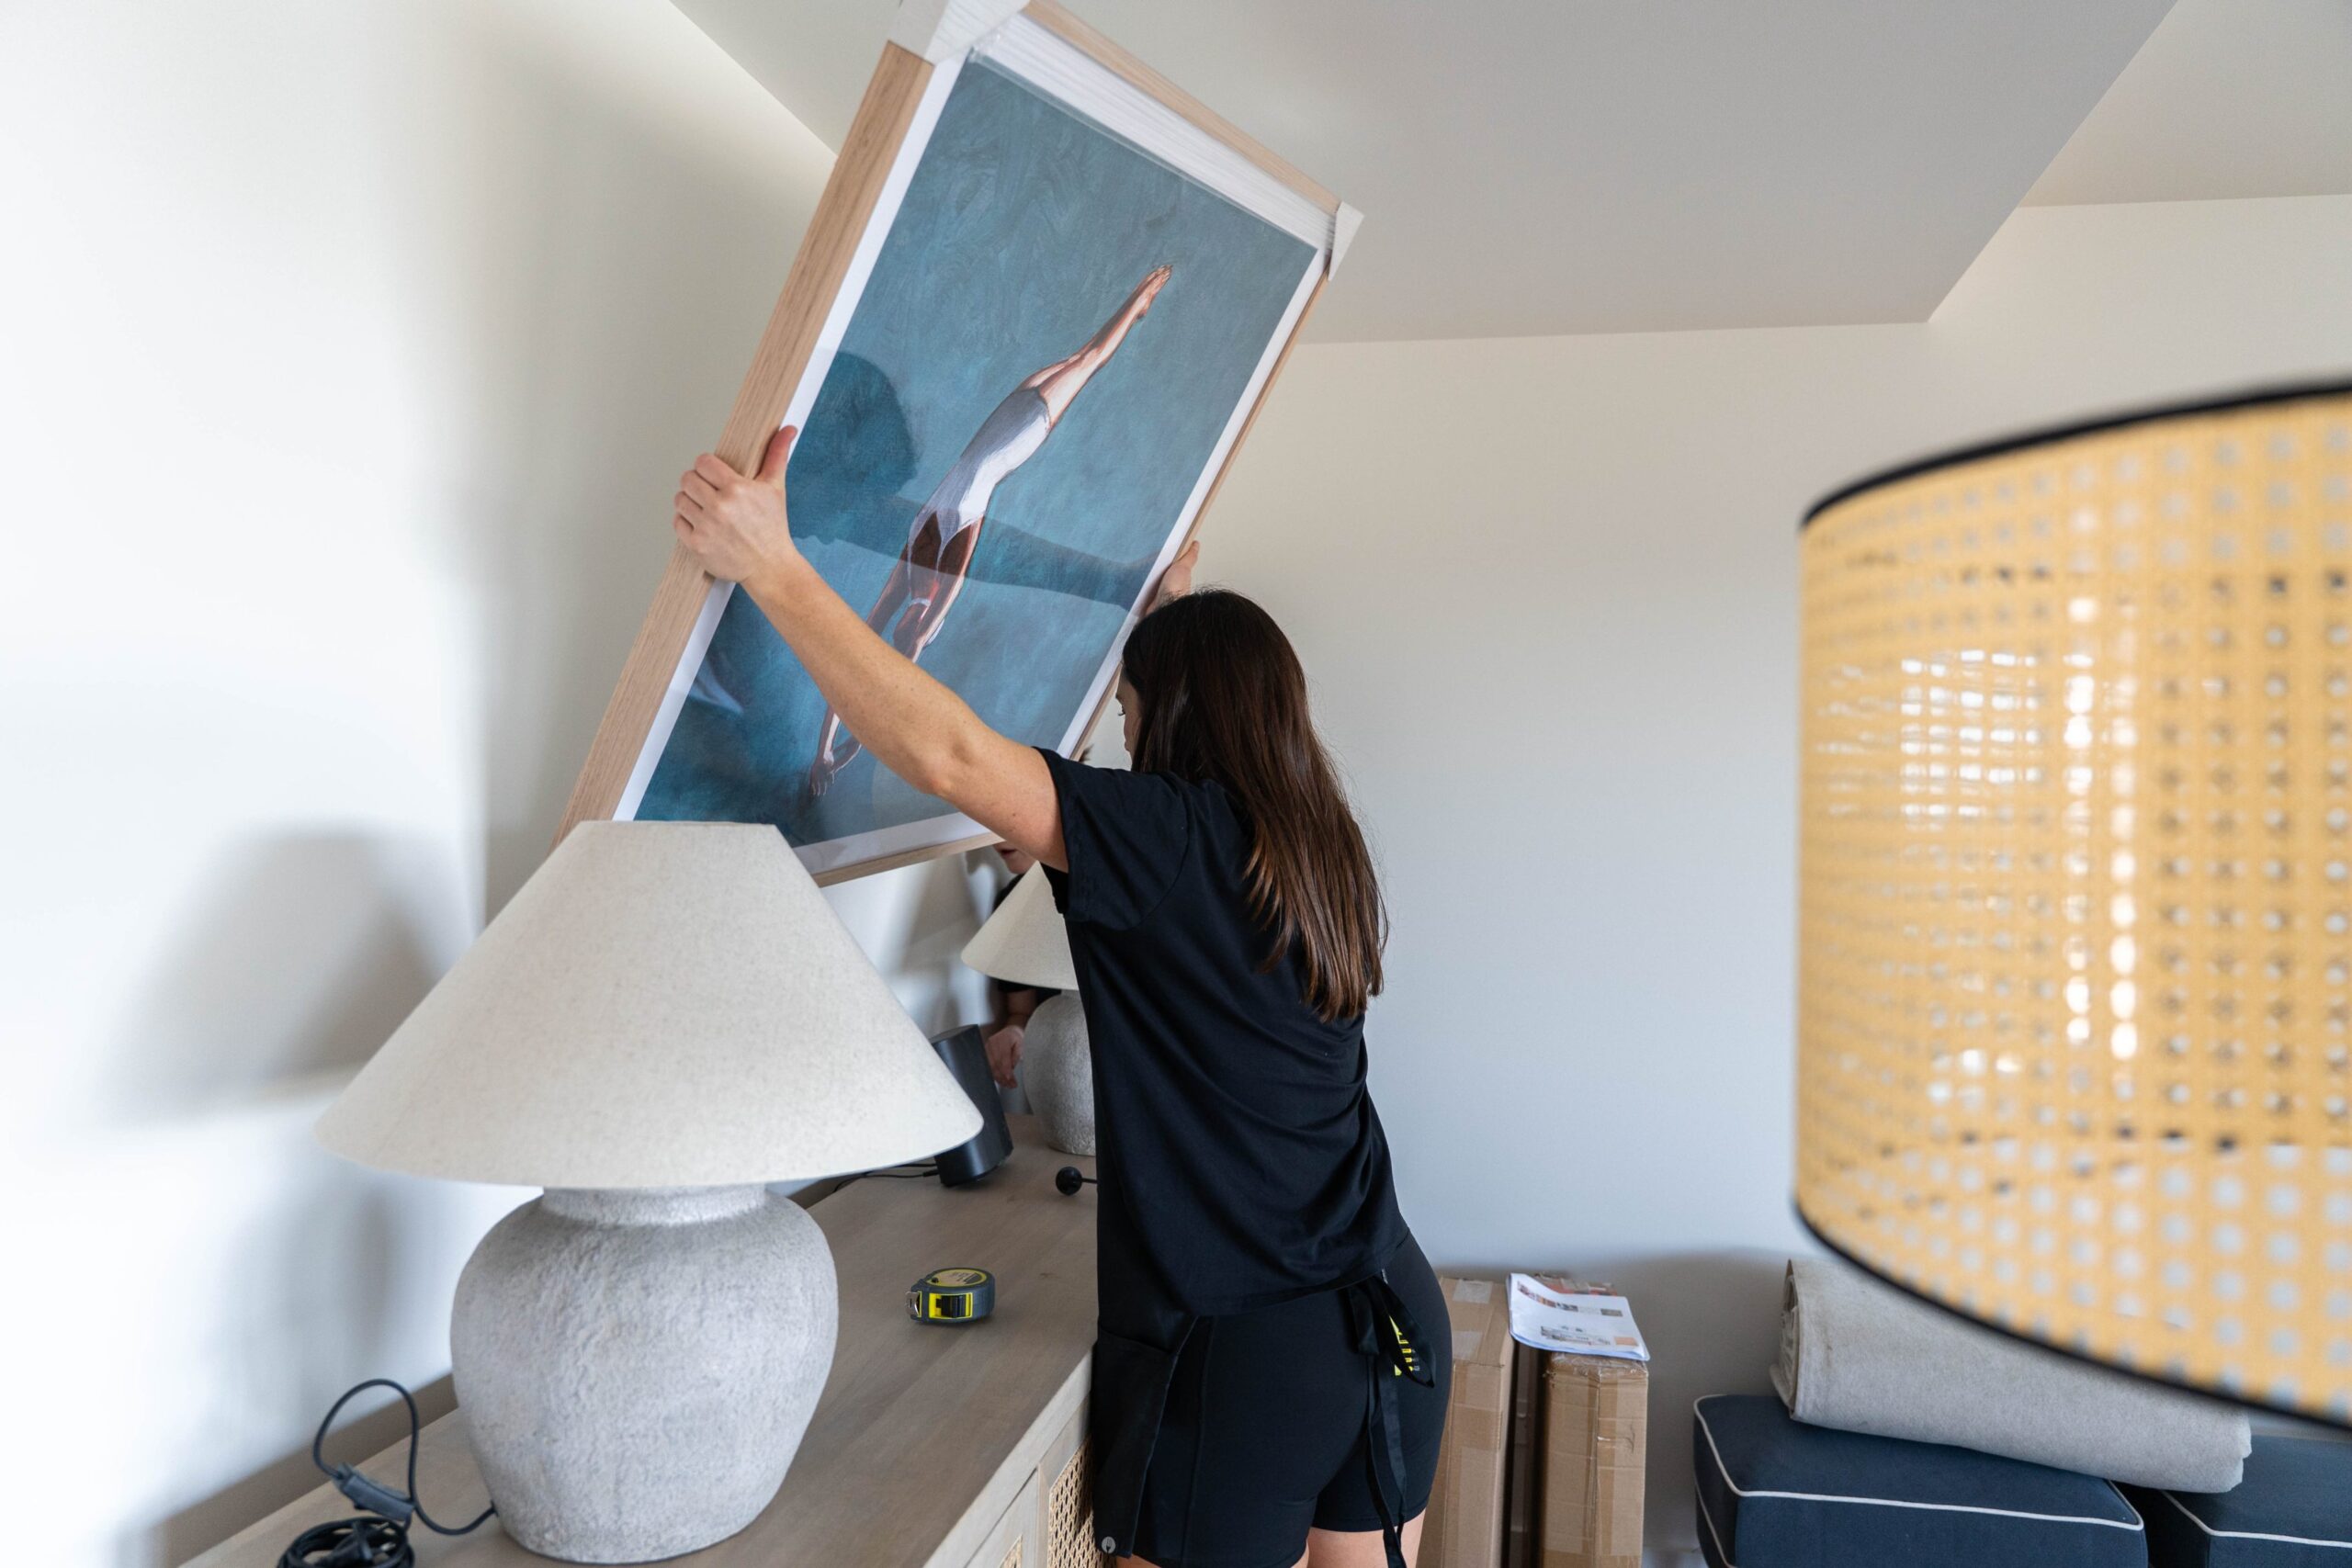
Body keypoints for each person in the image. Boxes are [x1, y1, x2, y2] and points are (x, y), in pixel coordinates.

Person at [672, 427, 1446, 1568]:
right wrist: (1159, 611)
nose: (1124, 731)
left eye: (1133, 707)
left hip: (1248, 1353)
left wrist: (773, 565)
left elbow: (950, 756)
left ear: (1177, 715)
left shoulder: (1172, 837)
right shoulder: (1312, 846)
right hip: (1381, 1308)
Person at [808, 264, 1172, 796]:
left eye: (905, 635)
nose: (908, 633)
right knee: (1090, 362)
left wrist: (824, 752)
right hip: (1015, 440)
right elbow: (879, 707)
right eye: (914, 638)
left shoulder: (904, 578)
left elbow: (848, 683)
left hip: (989, 431)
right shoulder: (935, 605)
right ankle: (1138, 301)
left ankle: (1135, 302)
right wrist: (836, 763)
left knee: (1078, 356)